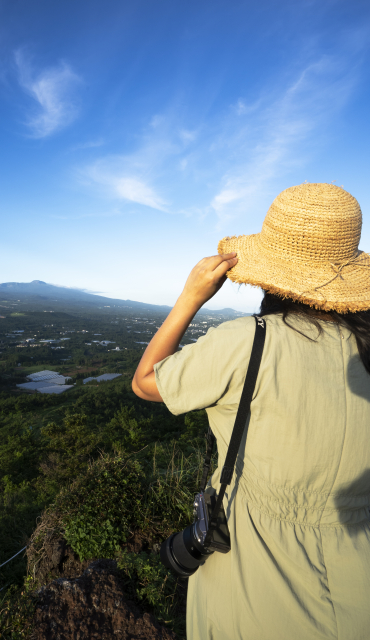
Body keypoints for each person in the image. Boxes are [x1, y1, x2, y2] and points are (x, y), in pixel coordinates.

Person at [132, 182, 370, 640]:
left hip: (255, 584)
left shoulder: (249, 341)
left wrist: (191, 297)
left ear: (271, 269)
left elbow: (145, 382)